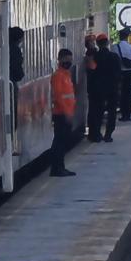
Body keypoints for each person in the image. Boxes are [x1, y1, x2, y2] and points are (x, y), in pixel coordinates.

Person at [49, 48, 77, 177]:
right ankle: (57, 168)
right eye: (66, 60)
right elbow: (59, 96)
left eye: (70, 60)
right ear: (60, 60)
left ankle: (60, 167)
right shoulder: (58, 76)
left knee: (63, 141)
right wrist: (66, 113)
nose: (69, 62)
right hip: (61, 114)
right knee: (59, 142)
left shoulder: (66, 75)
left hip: (67, 113)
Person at [93, 33, 121, 142]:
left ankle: (97, 134)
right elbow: (119, 74)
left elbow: (91, 72)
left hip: (98, 88)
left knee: (98, 111)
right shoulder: (114, 57)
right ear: (107, 43)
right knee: (112, 112)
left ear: (97, 44)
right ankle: (108, 134)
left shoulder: (95, 57)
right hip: (112, 88)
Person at [116, 29, 131, 121]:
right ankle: (128, 115)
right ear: (127, 36)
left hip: (120, 73)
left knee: (122, 95)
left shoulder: (115, 47)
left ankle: (123, 114)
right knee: (130, 95)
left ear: (119, 36)